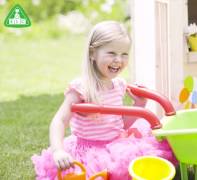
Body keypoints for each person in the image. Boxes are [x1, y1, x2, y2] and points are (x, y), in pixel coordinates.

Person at [31, 21, 176, 180]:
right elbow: (59, 120)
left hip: (116, 145)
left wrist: (139, 105)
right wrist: (58, 150)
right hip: (89, 151)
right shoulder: (81, 87)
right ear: (93, 53)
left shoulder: (119, 85)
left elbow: (119, 125)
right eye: (112, 53)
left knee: (143, 158)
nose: (118, 60)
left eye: (124, 54)